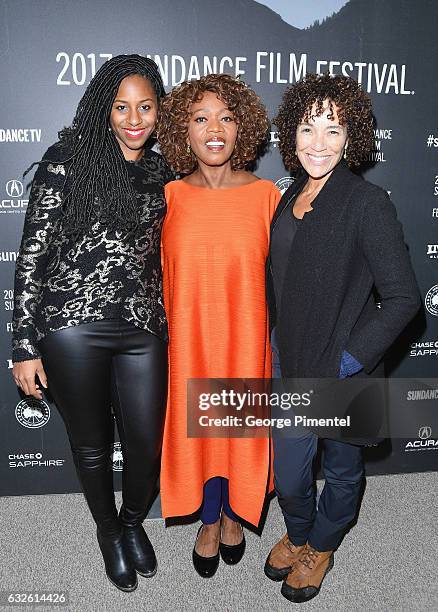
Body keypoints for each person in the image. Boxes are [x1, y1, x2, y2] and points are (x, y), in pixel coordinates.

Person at [11, 54, 173, 592]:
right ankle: (109, 532)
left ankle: (132, 521)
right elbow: (32, 253)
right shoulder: (68, 158)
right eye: (122, 106)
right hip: (71, 325)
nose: (134, 118)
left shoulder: (161, 168)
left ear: (158, 111)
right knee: (92, 445)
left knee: (146, 445)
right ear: (104, 109)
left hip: (142, 327)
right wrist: (23, 346)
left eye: (145, 106)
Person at [263, 73, 420, 603]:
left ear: (351, 136)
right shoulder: (290, 195)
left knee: (344, 468)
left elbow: (403, 298)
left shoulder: (366, 201)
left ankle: (321, 546)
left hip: (343, 365)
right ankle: (300, 526)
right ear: (291, 135)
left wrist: (348, 361)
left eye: (333, 129)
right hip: (290, 359)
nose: (318, 143)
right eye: (308, 129)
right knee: (289, 472)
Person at [157, 74, 281, 577]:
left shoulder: (267, 196)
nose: (214, 129)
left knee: (237, 430)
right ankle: (210, 519)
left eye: (226, 118)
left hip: (247, 340)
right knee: (200, 431)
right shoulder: (166, 198)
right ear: (182, 131)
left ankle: (233, 513)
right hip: (188, 343)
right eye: (200, 117)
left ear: (242, 129)